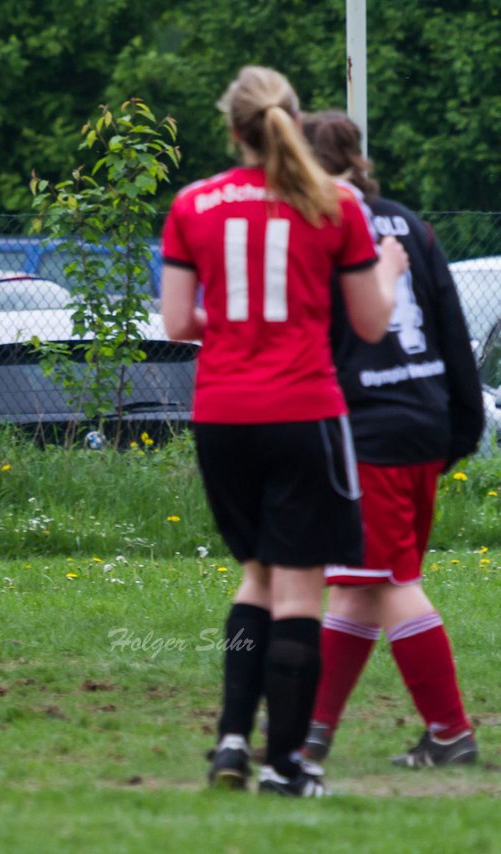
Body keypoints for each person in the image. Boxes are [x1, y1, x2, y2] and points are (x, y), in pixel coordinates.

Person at [159, 65, 407, 796]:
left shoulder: (192, 202)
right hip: (303, 411)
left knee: (255, 579)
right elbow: (369, 322)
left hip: (222, 416)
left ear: (233, 130)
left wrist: (236, 326)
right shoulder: (335, 204)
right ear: (292, 124)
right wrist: (387, 272)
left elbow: (178, 323)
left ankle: (231, 741)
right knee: (301, 591)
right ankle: (286, 767)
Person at [297, 110, 483, 769]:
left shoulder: (319, 229)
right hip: (424, 418)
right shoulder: (409, 223)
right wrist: (463, 420)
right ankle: (310, 734)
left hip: (367, 427)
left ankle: (451, 733)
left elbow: (311, 339)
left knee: (391, 582)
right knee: (359, 583)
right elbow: (449, 322)